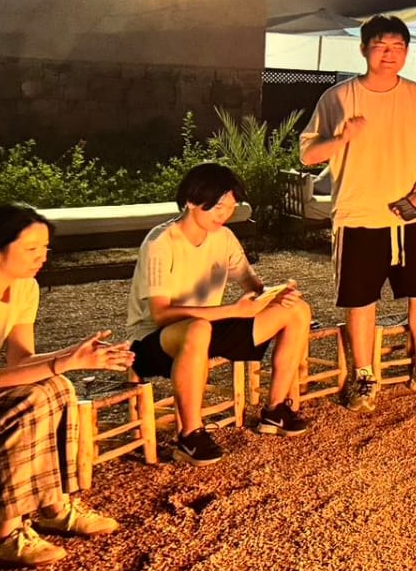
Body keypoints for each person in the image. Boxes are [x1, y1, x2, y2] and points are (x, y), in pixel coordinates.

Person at [299, 14, 416, 414]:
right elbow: (308, 155)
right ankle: (365, 376)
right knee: (361, 300)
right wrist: (341, 137)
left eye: (398, 47)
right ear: (364, 49)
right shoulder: (337, 98)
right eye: (381, 46)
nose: (390, 54)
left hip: (413, 215)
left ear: (406, 52)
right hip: (359, 214)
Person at [126, 164, 315, 464]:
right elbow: (161, 315)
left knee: (296, 311)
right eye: (217, 207)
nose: (224, 215)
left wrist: (276, 294)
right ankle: (190, 435)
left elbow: (253, 285)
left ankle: (275, 410)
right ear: (191, 201)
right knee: (199, 328)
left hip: (207, 328)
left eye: (230, 207)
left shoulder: (223, 237)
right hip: (154, 340)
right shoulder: (160, 242)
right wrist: (233, 310)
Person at [0, 205, 133, 571]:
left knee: (58, 387)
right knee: (33, 398)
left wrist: (76, 355)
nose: (41, 257)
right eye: (30, 249)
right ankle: (4, 534)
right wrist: (65, 361)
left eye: (45, 248)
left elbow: (21, 360)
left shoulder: (25, 287)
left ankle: (54, 506)